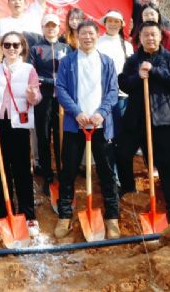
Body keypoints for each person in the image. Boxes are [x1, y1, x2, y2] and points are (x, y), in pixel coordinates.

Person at [54, 20, 121, 239]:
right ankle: (64, 215)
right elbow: (60, 89)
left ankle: (112, 217)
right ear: (77, 36)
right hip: (75, 125)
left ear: (97, 35)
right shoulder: (68, 62)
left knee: (107, 171)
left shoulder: (107, 62)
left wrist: (101, 112)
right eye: (83, 33)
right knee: (68, 171)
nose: (87, 37)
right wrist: (76, 112)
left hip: (101, 125)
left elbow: (113, 91)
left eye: (91, 33)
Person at [117, 21, 170, 224]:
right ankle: (129, 190)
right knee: (122, 154)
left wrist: (154, 71)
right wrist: (138, 77)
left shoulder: (169, 58)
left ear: (160, 37)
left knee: (166, 163)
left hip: (162, 120)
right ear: (140, 38)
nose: (150, 38)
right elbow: (124, 83)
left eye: (153, 34)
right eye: (146, 35)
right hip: (135, 120)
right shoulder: (132, 60)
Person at [0, 32, 42, 237]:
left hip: (19, 125)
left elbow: (36, 98)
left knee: (22, 170)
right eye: (7, 45)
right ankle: (2, 214)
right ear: (2, 47)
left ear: (22, 47)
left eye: (16, 45)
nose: (11, 49)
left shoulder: (29, 70)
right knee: (0, 170)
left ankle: (28, 216)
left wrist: (33, 95)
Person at [28, 14, 72, 195]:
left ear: (59, 28)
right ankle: (47, 175)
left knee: (61, 137)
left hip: (62, 100)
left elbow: (71, 72)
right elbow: (32, 74)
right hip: (43, 99)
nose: (51, 28)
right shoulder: (35, 49)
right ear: (43, 28)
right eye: (47, 26)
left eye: (54, 25)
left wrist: (60, 84)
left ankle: (63, 174)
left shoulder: (66, 48)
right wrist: (51, 82)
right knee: (44, 137)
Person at [96, 10, 134, 182]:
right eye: (109, 21)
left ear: (121, 25)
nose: (112, 24)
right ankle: (109, 174)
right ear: (105, 23)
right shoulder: (98, 43)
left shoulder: (127, 45)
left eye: (116, 22)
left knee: (121, 136)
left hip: (123, 95)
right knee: (107, 135)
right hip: (103, 96)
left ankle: (121, 175)